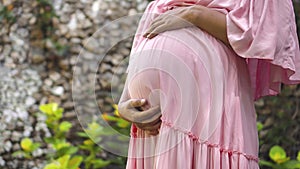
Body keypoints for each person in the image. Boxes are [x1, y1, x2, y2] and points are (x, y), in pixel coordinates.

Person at [118, 0, 300, 168]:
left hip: (206, 107)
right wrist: (124, 102)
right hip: (152, 128)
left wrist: (197, 15)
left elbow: (266, 33)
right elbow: (148, 34)